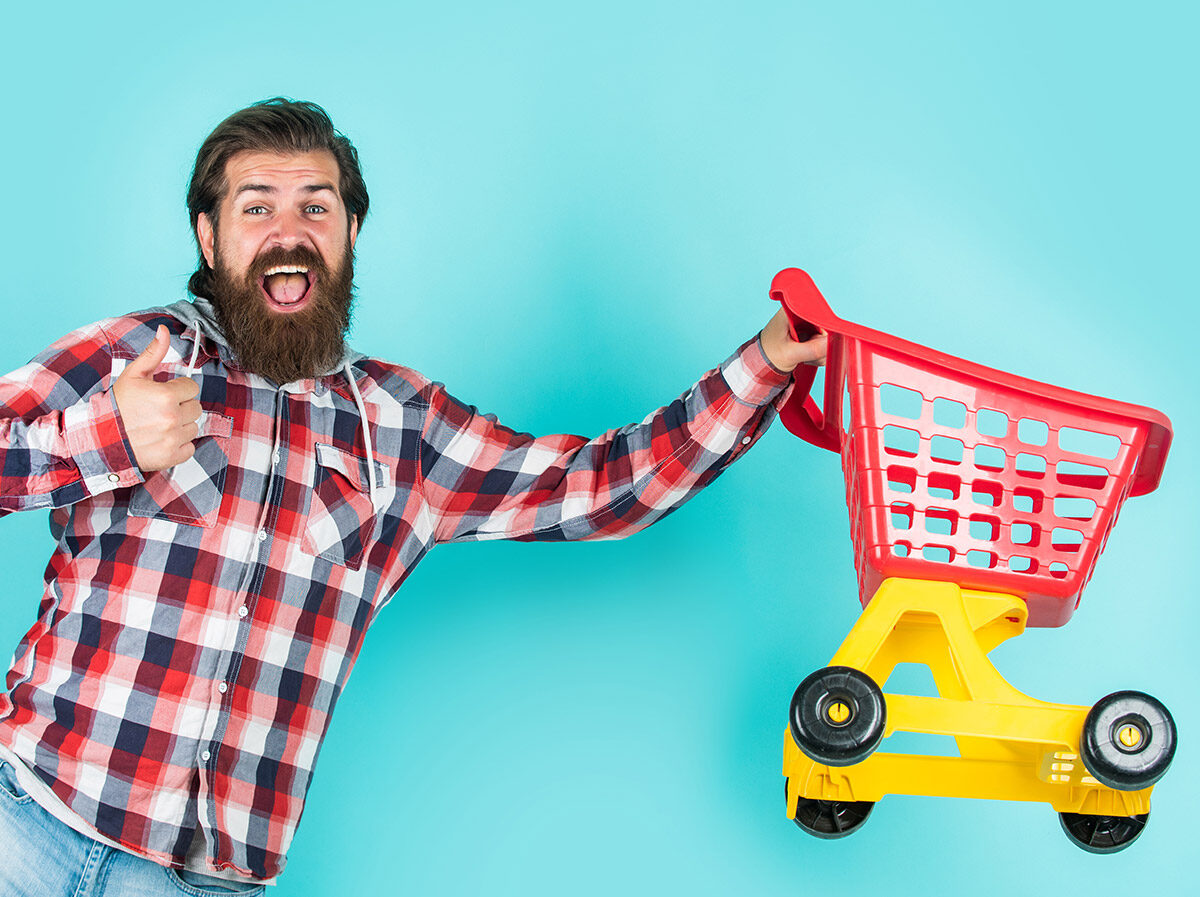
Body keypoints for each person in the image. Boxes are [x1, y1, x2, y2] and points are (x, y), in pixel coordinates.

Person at [0, 98, 825, 894]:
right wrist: (104, 437)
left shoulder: (406, 431)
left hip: (201, 884)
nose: (289, 234)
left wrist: (766, 364)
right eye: (256, 209)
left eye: (316, 208)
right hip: (22, 821)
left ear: (351, 232)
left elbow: (599, 487)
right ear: (208, 237)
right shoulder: (138, 356)